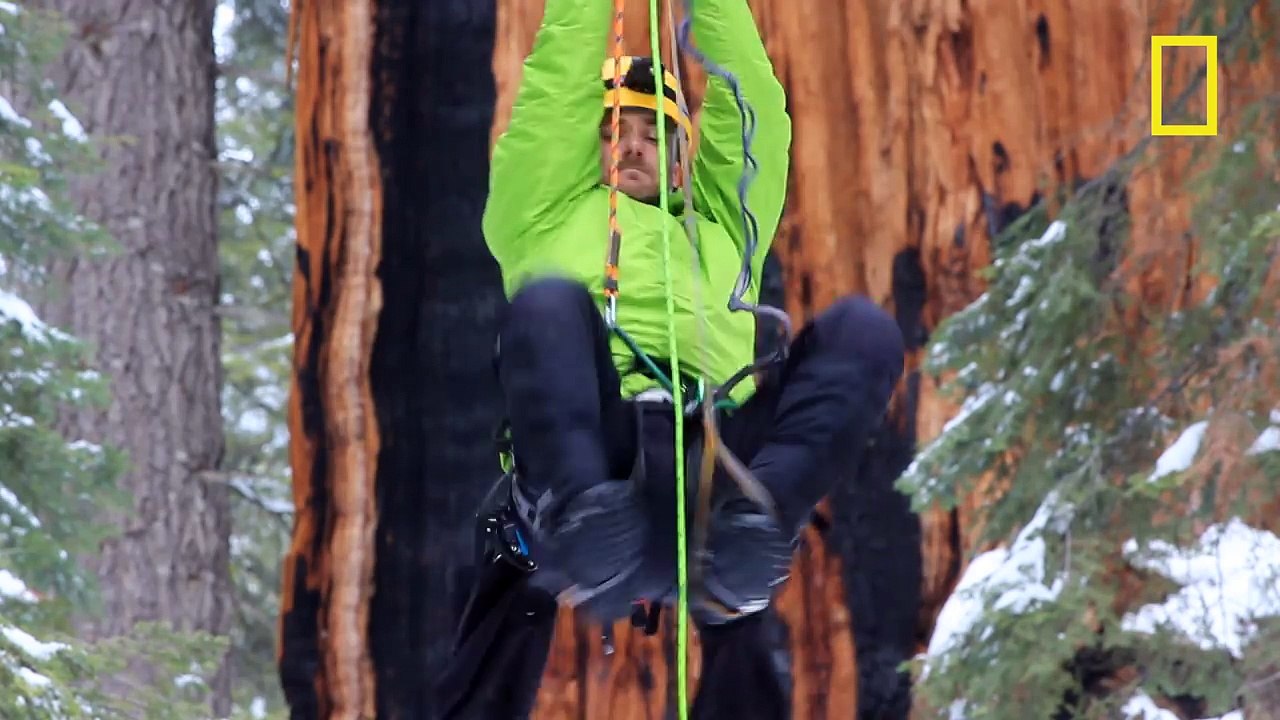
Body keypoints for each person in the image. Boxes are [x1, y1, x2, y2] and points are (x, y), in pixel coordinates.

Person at [436, 0, 905, 716]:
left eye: (652, 132)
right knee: (549, 303)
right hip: (594, 461)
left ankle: (757, 524)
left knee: (862, 333)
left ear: (684, 157)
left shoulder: (725, 226)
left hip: (714, 471)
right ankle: (584, 513)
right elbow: (559, 79)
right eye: (610, 133)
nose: (629, 146)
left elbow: (753, 102)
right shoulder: (539, 217)